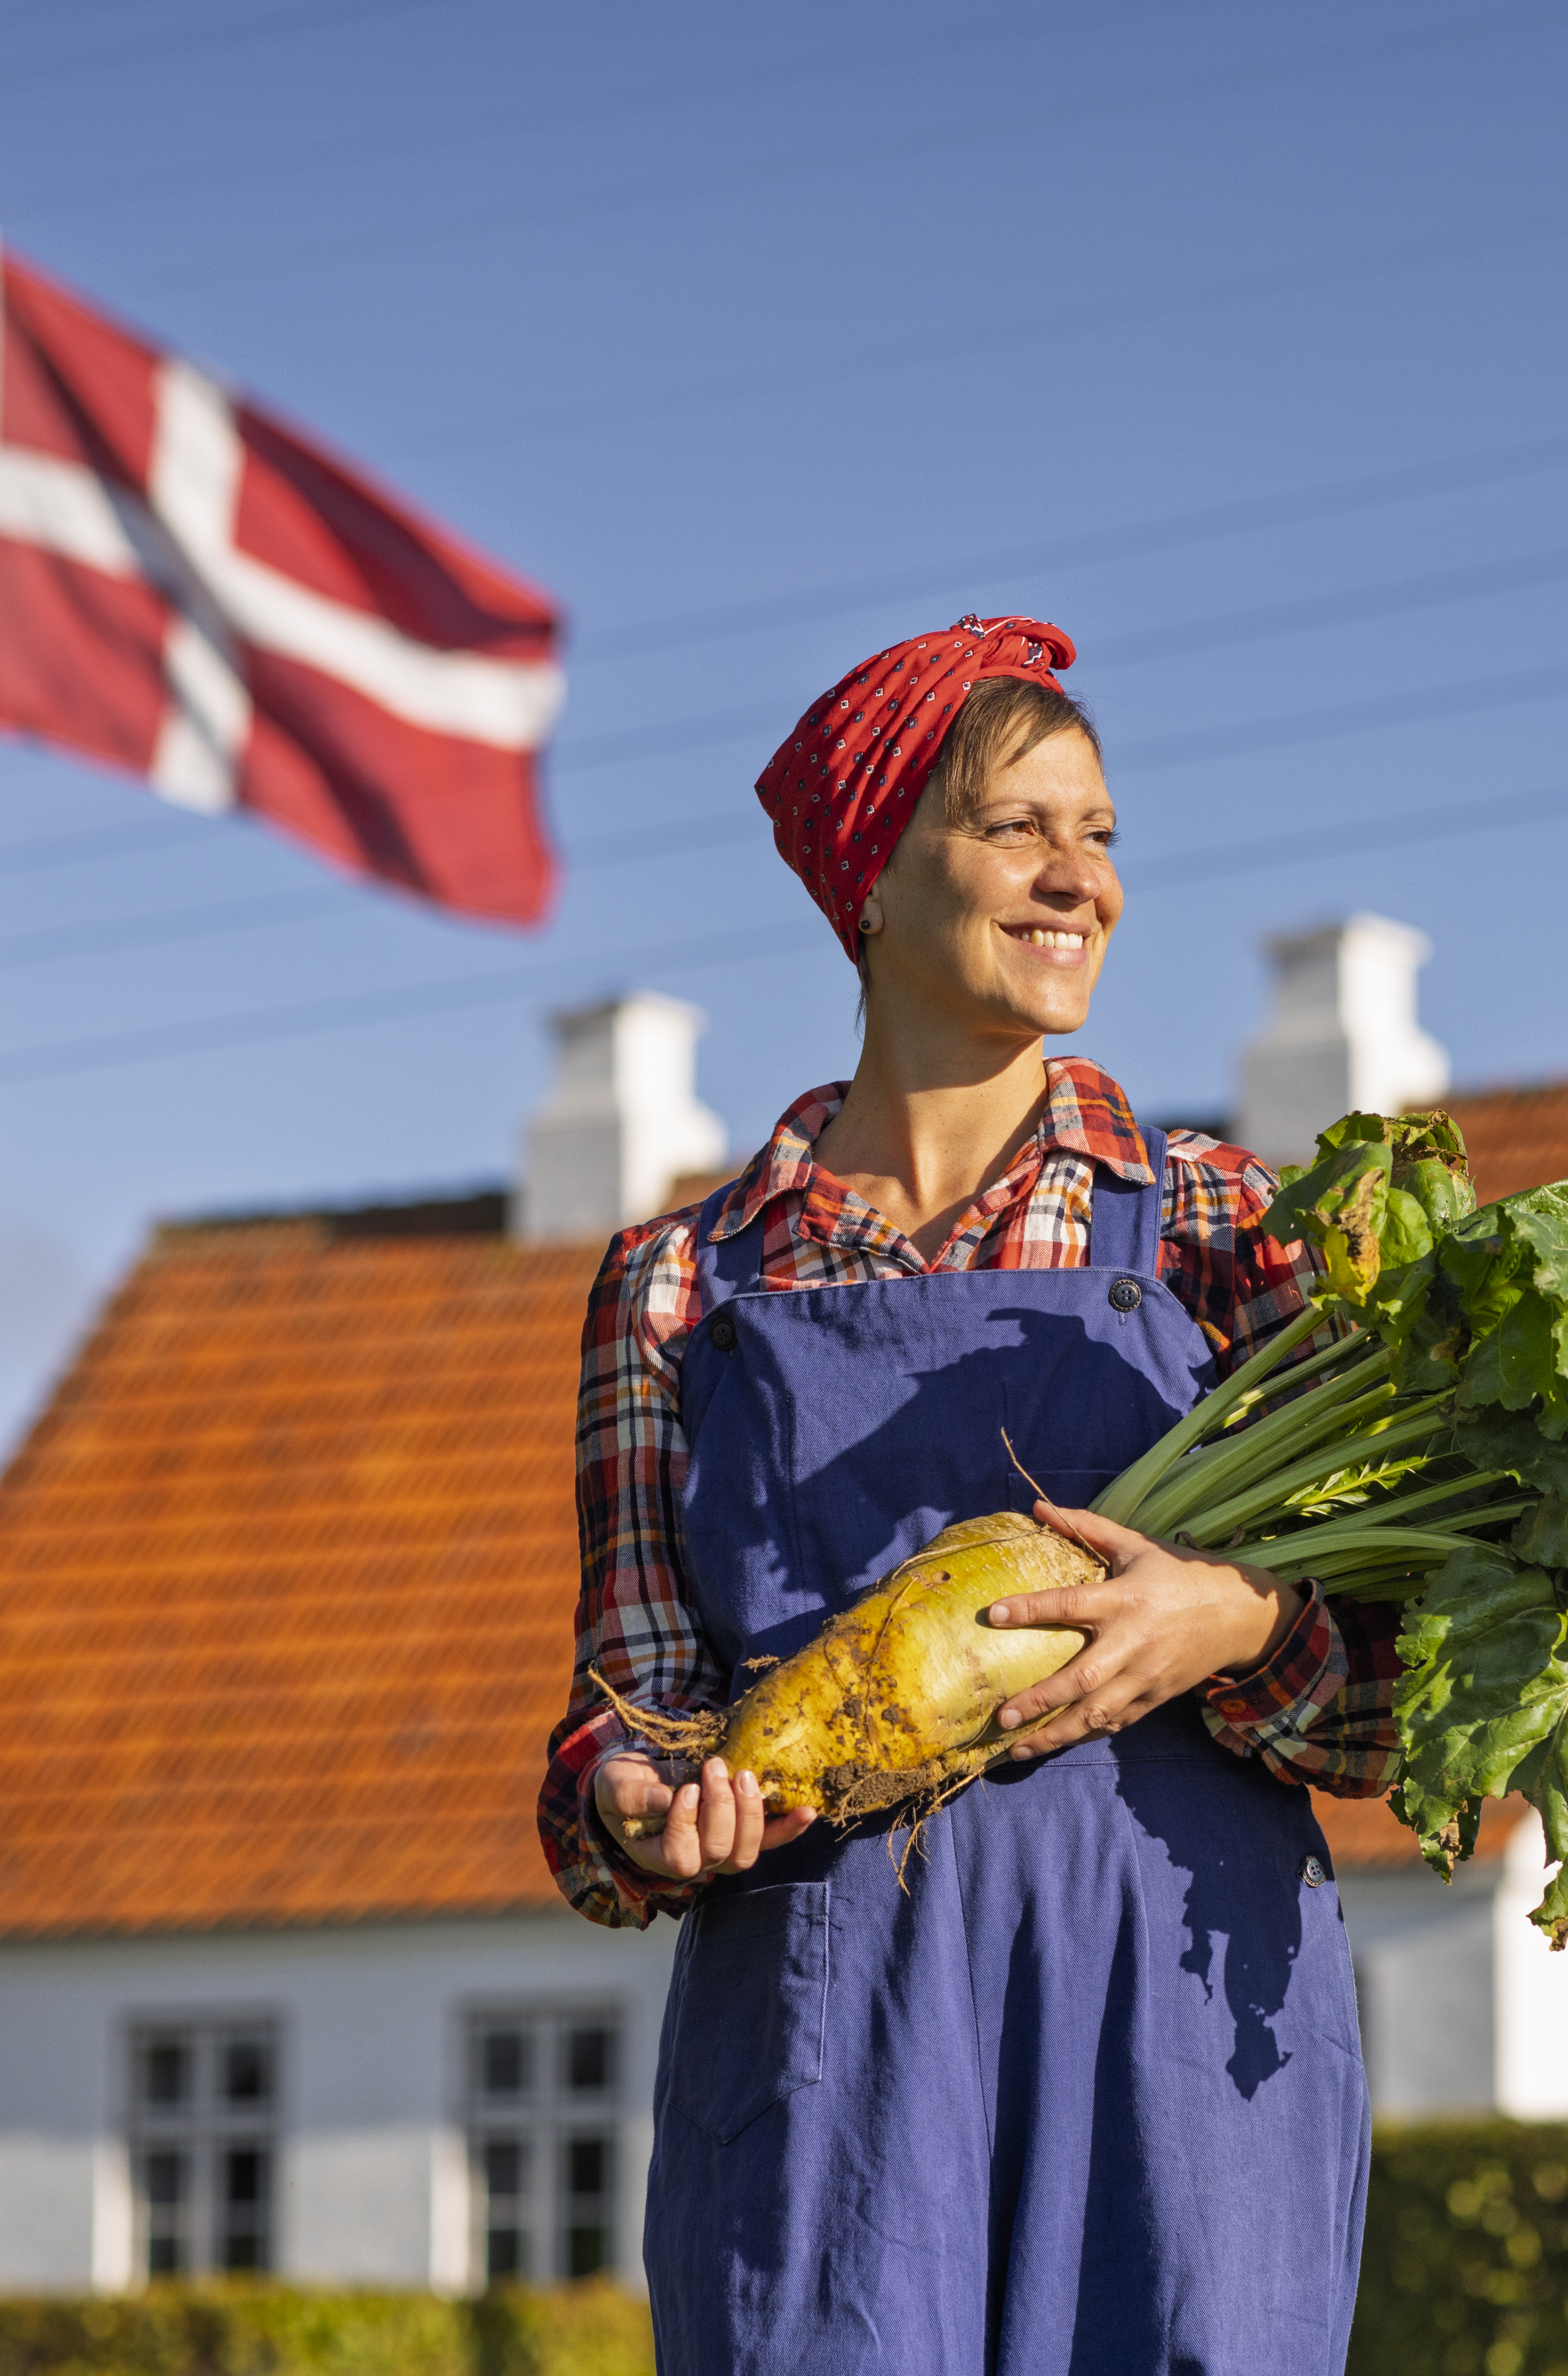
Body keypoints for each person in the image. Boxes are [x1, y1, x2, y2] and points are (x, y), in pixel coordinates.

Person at [536, 616, 1399, 2374]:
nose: (1079, 876)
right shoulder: (678, 1287)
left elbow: (1395, 1698)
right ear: (873, 875)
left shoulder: (1233, 1226)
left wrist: (1225, 1621)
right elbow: (620, 1714)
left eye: (1100, 834)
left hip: (1172, 2029)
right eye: (1019, 825)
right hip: (829, 2059)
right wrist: (636, 1800)